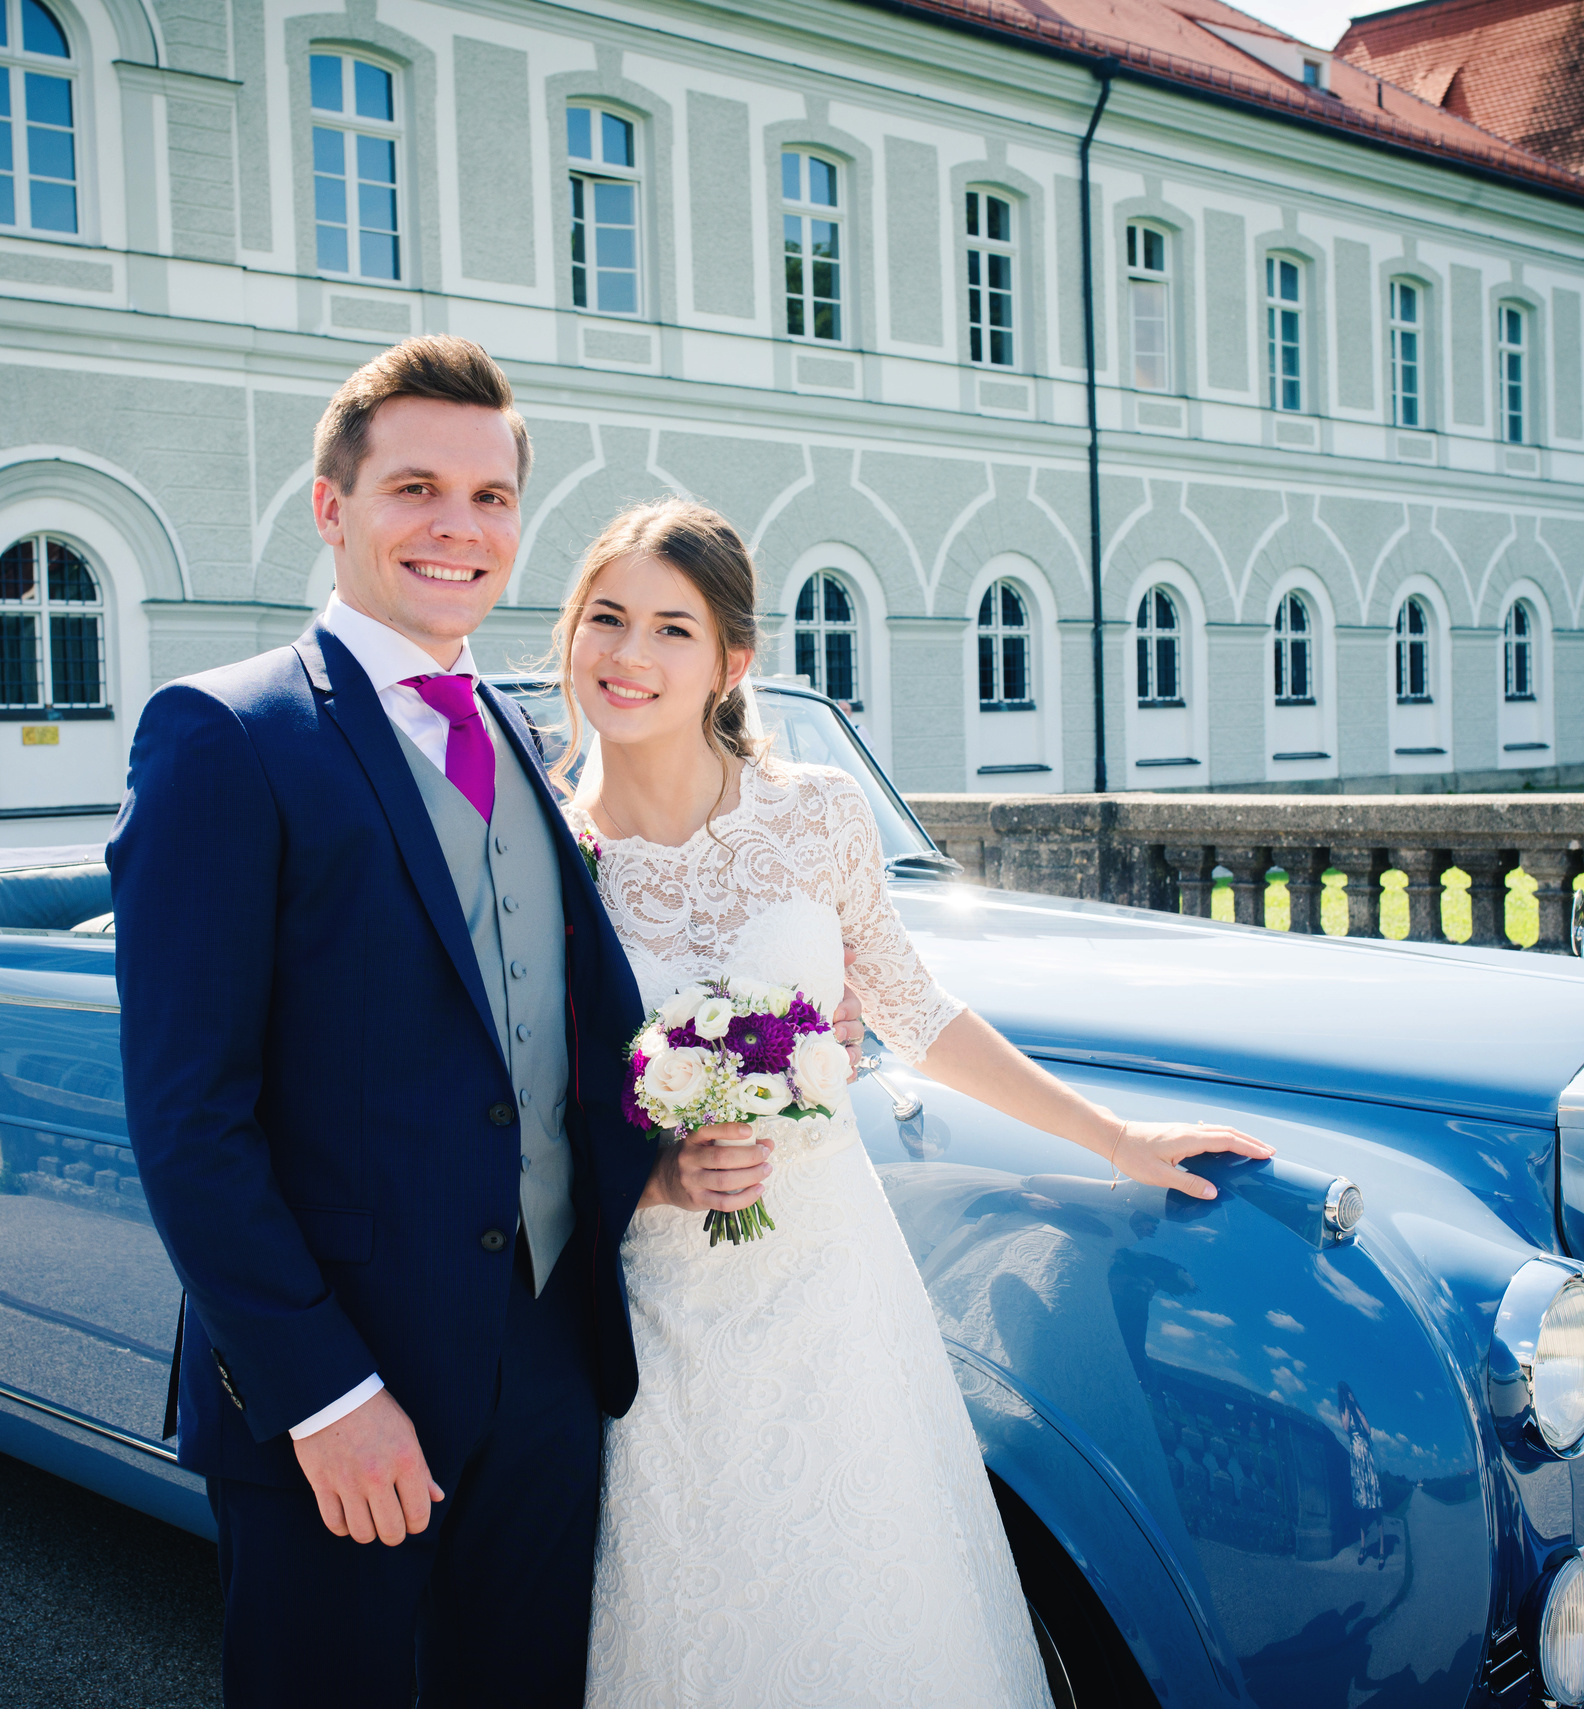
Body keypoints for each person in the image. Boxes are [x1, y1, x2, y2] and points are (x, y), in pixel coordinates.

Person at [108, 339, 833, 1707]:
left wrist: (654, 1162)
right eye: (416, 488)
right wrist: (323, 1395)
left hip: (551, 1371)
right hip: (343, 1400)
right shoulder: (224, 734)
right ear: (334, 508)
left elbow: (540, 1033)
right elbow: (187, 1119)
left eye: (492, 498)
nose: (459, 526)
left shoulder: (513, 727)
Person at [553, 498, 1273, 1706]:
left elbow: (918, 1014)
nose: (629, 656)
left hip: (823, 1281)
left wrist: (1114, 1134)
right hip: (650, 1292)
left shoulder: (818, 813)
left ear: (732, 659)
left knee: (863, 1585)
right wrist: (656, 1156)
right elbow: (525, 1089)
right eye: (605, 619)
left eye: (671, 628)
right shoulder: (549, 850)